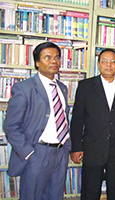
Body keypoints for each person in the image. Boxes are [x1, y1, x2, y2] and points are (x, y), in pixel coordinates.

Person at [4, 42, 71, 200]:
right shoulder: (24, 88)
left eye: (56, 58)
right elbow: (11, 126)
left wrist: (67, 147)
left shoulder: (62, 88)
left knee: (55, 196)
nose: (53, 61)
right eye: (47, 58)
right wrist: (29, 152)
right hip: (37, 152)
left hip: (60, 153)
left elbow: (64, 119)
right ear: (37, 62)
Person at [70, 49, 115, 200]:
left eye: (113, 61)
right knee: (90, 192)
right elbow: (77, 119)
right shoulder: (85, 87)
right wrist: (76, 147)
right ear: (99, 64)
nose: (109, 65)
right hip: (92, 149)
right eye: (105, 61)